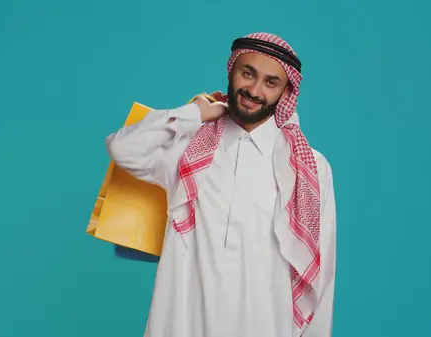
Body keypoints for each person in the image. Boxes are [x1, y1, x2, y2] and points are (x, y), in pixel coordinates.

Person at [105, 32, 336, 337]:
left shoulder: (309, 167)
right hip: (182, 323)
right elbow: (123, 148)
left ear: (285, 92)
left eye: (270, 82)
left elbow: (321, 278)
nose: (254, 90)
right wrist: (195, 113)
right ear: (232, 71)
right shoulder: (188, 144)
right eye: (248, 73)